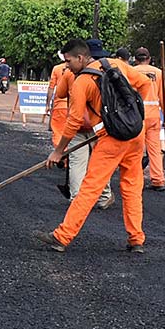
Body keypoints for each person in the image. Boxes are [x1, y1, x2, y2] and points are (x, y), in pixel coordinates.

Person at [35, 39, 150, 253]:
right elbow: (145, 84)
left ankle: (62, 237)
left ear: (80, 57)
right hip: (135, 134)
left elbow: (74, 121)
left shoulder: (82, 81)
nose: (67, 67)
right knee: (132, 187)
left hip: (112, 138)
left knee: (90, 188)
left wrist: (58, 151)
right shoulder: (116, 64)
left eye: (69, 61)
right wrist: (131, 113)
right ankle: (136, 240)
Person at [52, 58, 114, 208]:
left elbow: (60, 93)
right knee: (100, 162)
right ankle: (104, 196)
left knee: (76, 163)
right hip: (98, 125)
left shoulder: (68, 74)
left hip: (77, 125)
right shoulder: (103, 71)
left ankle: (76, 199)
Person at [131, 47, 165, 191]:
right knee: (155, 149)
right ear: (149, 58)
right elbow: (163, 96)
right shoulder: (158, 73)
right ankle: (158, 180)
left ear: (135, 59)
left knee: (136, 149)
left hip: (137, 116)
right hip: (154, 116)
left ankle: (136, 179)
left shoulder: (131, 72)